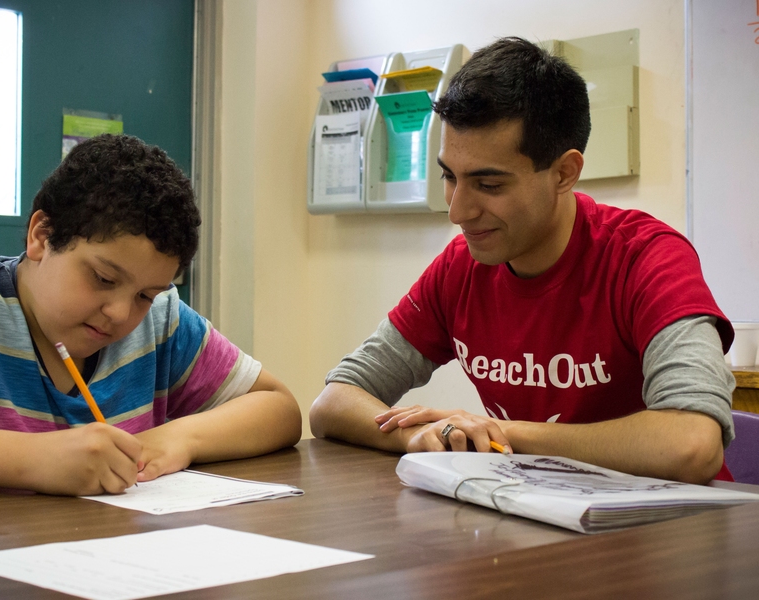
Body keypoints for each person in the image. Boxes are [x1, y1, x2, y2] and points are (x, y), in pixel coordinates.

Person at [310, 37, 735, 485]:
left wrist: (503, 434)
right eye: (449, 177)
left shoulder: (646, 257)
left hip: (672, 535)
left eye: (489, 185)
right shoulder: (461, 267)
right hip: (537, 519)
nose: (457, 212)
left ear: (564, 173)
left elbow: (692, 443)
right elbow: (335, 401)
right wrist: (418, 436)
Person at [0, 134, 301, 496]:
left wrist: (177, 438)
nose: (122, 313)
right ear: (41, 235)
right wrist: (36, 459)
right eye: (104, 279)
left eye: (146, 293)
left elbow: (278, 408)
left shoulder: (160, 321)